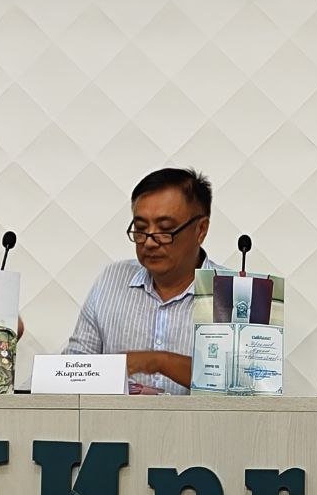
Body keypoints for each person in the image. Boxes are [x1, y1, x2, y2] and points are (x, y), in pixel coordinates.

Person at [64, 167, 220, 394]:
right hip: (116, 418)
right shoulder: (112, 280)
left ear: (201, 230)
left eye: (165, 229)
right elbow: (74, 367)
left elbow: (249, 384)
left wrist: (159, 362)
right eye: (140, 229)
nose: (149, 242)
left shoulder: (233, 294)